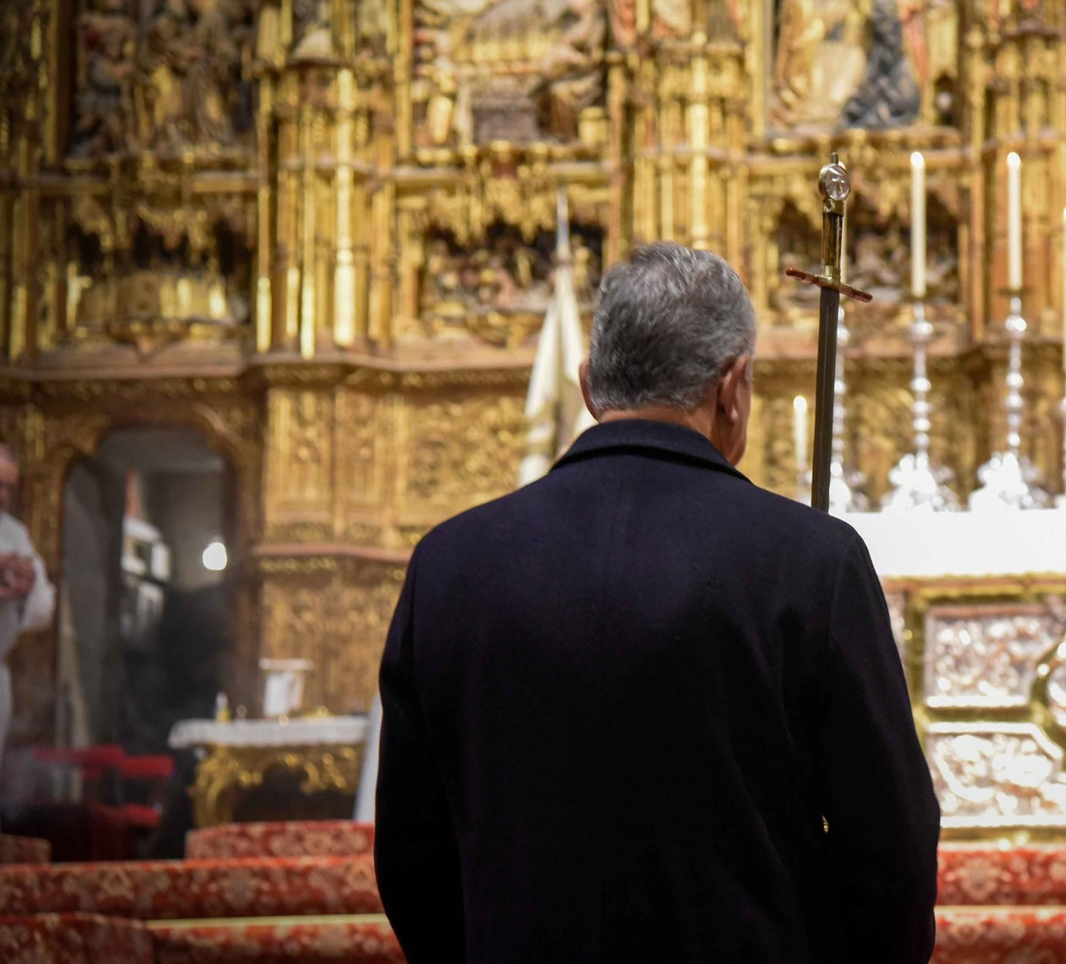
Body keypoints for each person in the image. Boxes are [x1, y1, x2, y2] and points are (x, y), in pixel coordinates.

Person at [375, 243, 940, 963]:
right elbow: (890, 841)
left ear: (587, 387)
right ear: (734, 387)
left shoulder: (449, 564)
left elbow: (410, 851)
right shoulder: (812, 561)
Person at [0, 442, 55, 835]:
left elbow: (43, 603)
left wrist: (24, 588)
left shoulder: (15, 532)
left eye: (10, 488)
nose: (3, 496)